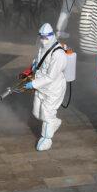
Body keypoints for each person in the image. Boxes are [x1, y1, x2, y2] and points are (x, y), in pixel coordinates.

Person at [24, 23, 68, 151]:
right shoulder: (42, 46)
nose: (43, 40)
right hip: (41, 87)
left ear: (51, 35)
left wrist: (33, 84)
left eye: (45, 37)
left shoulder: (58, 54)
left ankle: (46, 139)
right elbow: (38, 60)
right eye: (41, 37)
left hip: (53, 89)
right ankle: (54, 122)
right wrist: (33, 67)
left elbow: (50, 77)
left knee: (47, 114)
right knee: (37, 113)